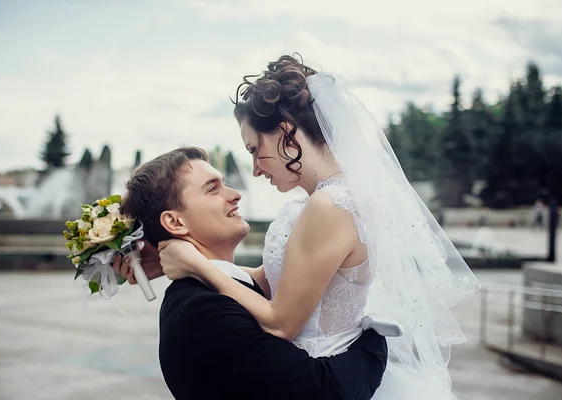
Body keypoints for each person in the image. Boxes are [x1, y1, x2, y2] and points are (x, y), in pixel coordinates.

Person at [158, 55, 481, 399]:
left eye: (255, 149)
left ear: (284, 133)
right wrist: (165, 259)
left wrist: (194, 264)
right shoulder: (319, 202)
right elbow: (267, 278)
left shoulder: (330, 206)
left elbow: (281, 323)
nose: (254, 168)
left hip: (322, 378)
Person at [115, 147, 390, 400]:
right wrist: (373, 342)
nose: (235, 194)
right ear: (175, 222)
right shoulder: (202, 312)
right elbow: (328, 390)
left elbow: (274, 275)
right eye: (212, 189)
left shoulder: (215, 286)